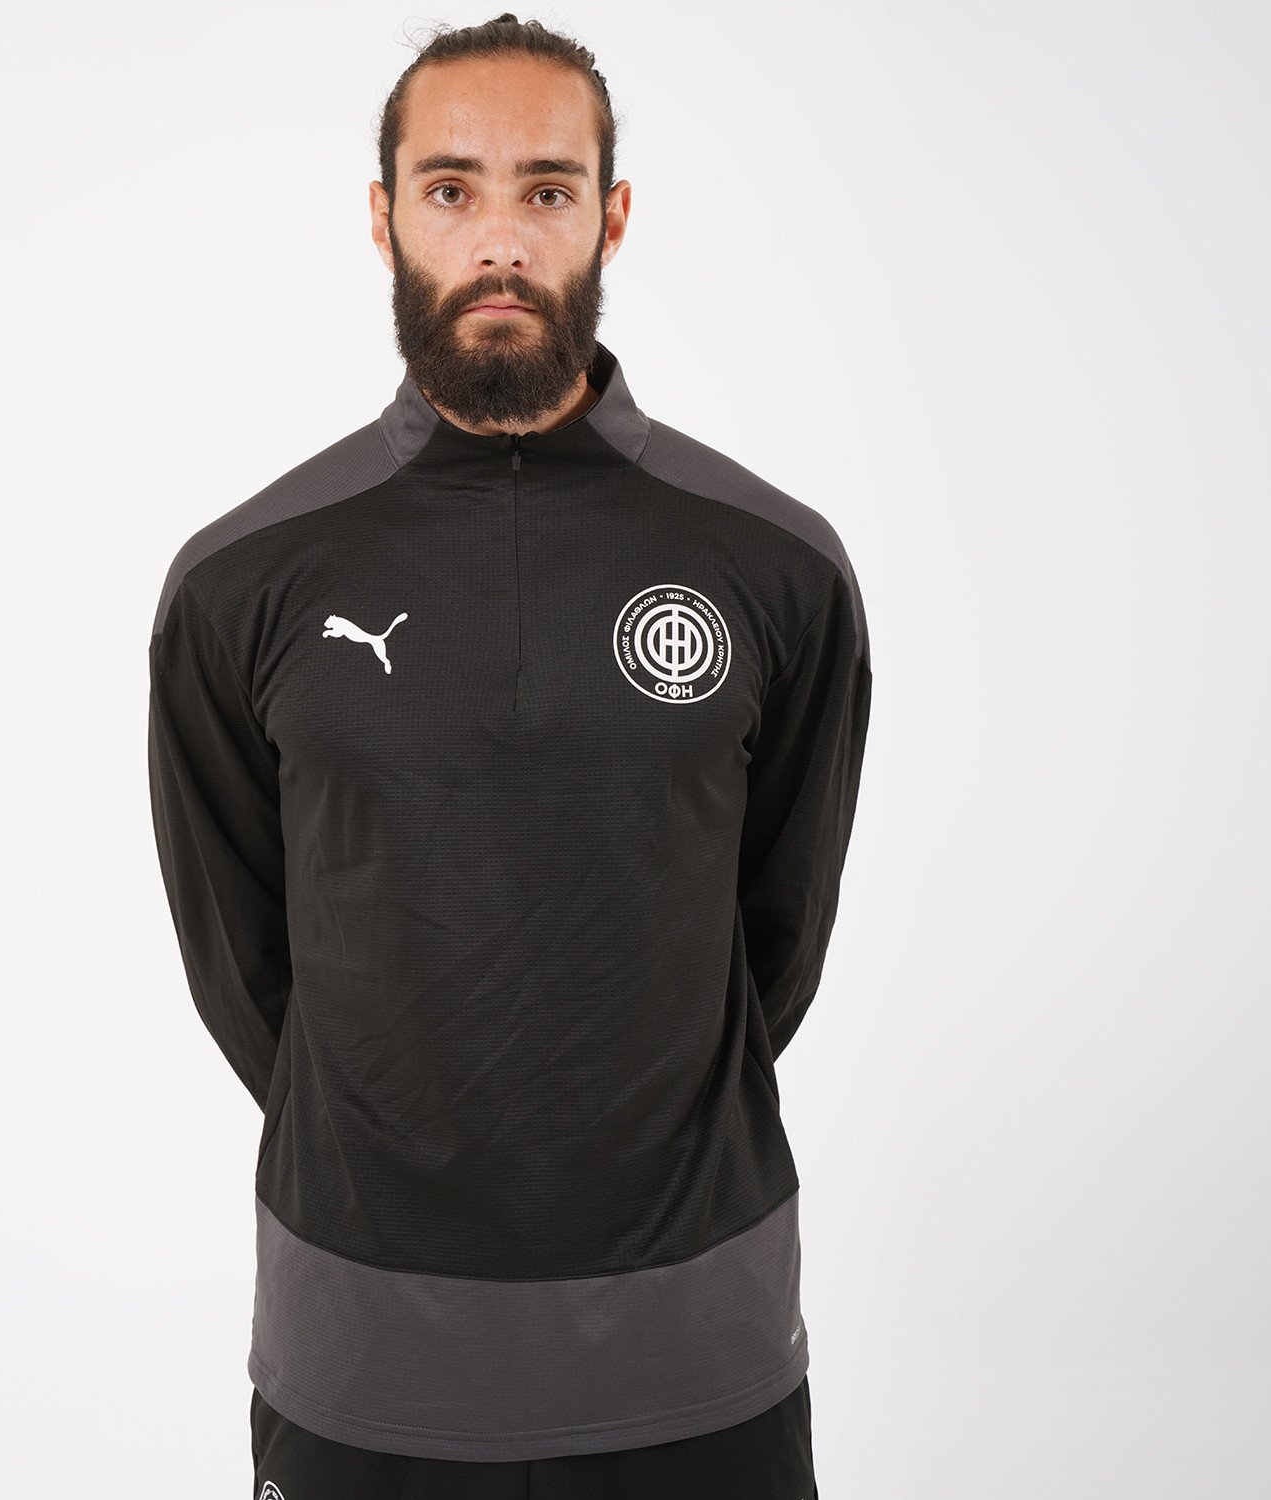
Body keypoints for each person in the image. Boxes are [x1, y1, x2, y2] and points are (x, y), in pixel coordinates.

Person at [146, 13, 873, 1497]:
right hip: (363, 1351)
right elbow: (248, 968)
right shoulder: (241, 582)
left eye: (546, 190)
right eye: (451, 188)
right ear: (384, 218)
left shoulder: (778, 567)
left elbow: (772, 947)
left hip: (699, 1344)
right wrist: (391, 1104)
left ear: (611, 216)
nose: (499, 239)